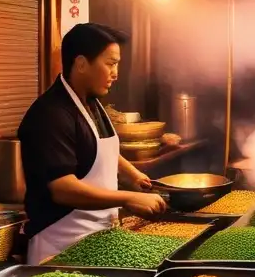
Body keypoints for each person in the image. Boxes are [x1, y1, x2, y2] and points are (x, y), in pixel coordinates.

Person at [19, 23, 166, 264]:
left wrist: (133, 174)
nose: (116, 73)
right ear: (81, 64)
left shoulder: (91, 102)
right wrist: (126, 198)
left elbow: (96, 148)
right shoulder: (50, 115)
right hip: (60, 246)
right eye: (110, 63)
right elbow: (63, 189)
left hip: (97, 240)